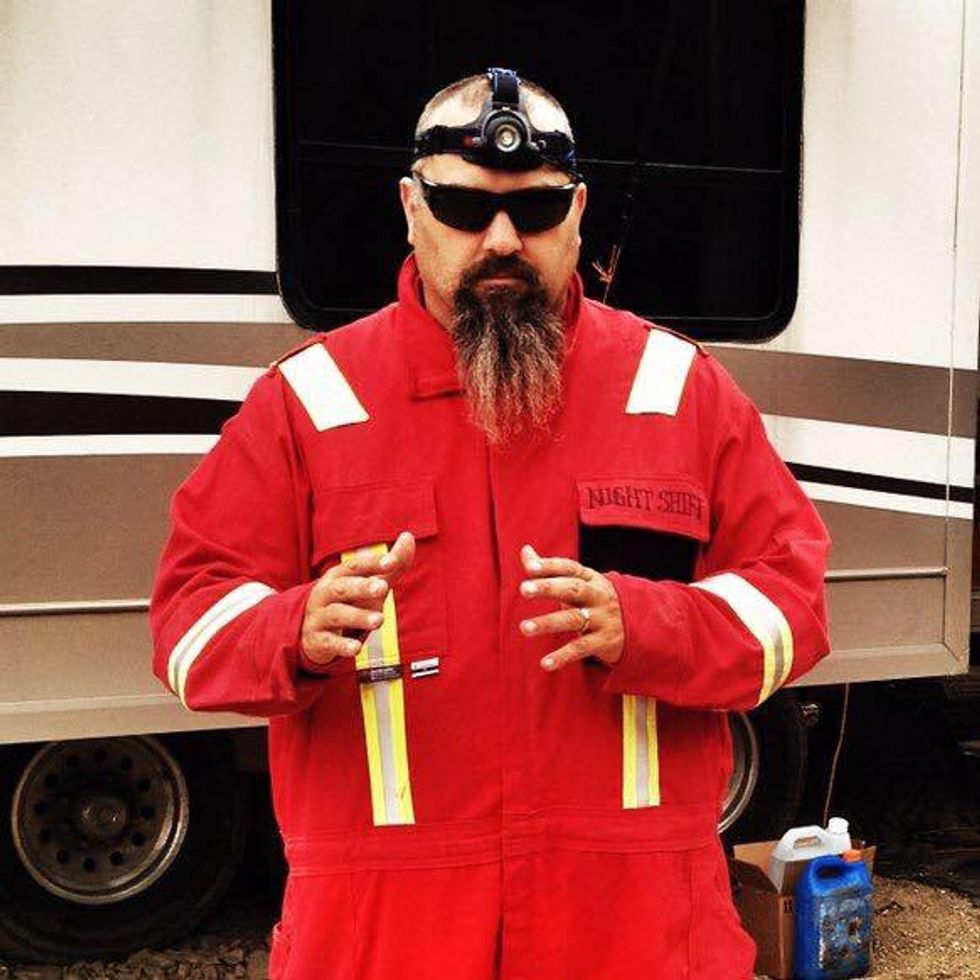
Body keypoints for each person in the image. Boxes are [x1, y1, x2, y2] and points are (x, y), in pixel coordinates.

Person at [150, 68, 830, 979]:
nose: (503, 239)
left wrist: (652, 623)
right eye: (465, 208)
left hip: (634, 921)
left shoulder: (675, 389)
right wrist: (290, 629)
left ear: (578, 213)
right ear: (411, 209)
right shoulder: (308, 402)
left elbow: (795, 604)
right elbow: (186, 625)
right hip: (388, 926)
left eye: (537, 210)